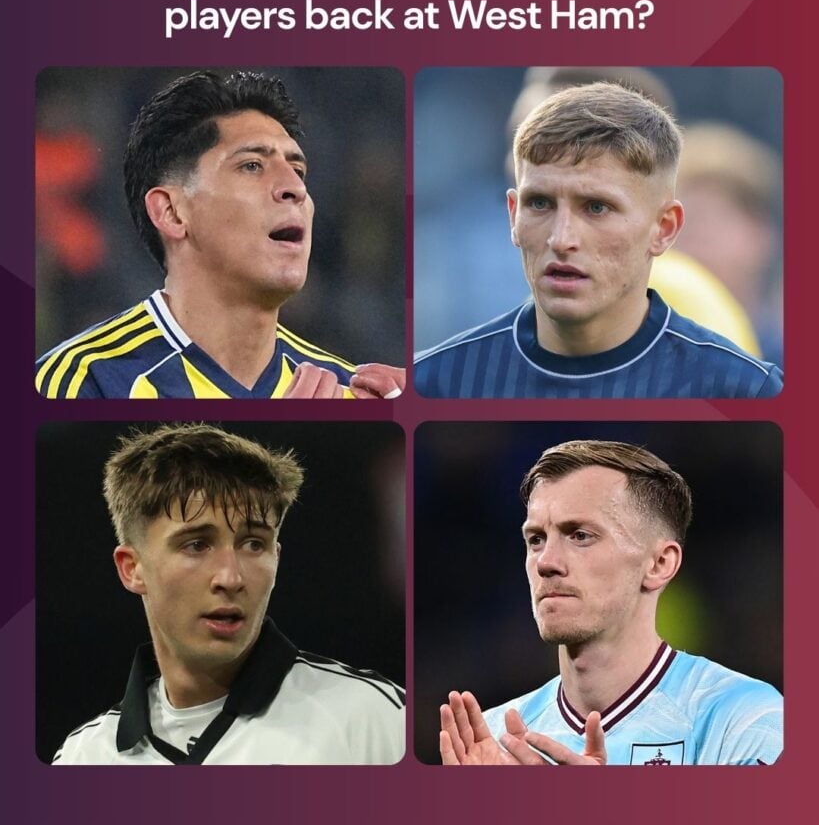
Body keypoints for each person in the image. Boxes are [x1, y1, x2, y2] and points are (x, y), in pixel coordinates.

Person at [35, 70, 404, 398]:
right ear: (172, 212)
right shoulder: (83, 383)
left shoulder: (345, 389)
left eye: (298, 170)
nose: (295, 188)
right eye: (252, 166)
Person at [53, 424, 405, 765]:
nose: (231, 577)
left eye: (254, 544)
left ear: (277, 558)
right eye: (196, 545)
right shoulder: (83, 757)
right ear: (132, 568)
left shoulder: (372, 720)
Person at [414, 82, 782, 398]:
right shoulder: (433, 381)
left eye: (596, 208)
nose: (562, 239)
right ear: (513, 215)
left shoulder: (747, 389)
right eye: (539, 203)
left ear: (665, 228)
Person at [439, 440, 782, 766]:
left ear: (659, 563)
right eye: (536, 539)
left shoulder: (745, 717)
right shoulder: (490, 740)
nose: (546, 561)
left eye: (581, 536)